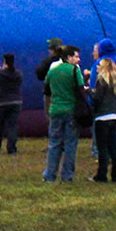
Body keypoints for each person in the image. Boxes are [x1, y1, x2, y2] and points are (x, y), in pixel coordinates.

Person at [43, 46, 86, 183]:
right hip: (71, 110)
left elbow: (46, 90)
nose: (78, 59)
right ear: (68, 57)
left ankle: (50, 175)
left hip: (55, 110)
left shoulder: (53, 71)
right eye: (76, 56)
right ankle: (67, 175)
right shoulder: (74, 70)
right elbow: (81, 91)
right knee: (70, 144)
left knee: (54, 143)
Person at [90, 56, 116, 183]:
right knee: (113, 148)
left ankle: (102, 174)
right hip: (113, 117)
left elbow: (97, 98)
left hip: (102, 117)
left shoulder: (101, 81)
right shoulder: (115, 82)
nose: (97, 67)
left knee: (102, 148)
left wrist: (89, 92)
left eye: (99, 65)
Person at [0, 53, 22, 154]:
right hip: (16, 102)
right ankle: (12, 148)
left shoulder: (0, 74)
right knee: (13, 126)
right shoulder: (18, 74)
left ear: (4, 62)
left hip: (1, 103)